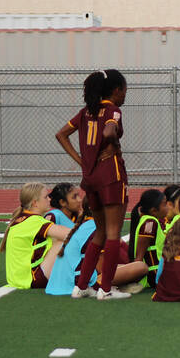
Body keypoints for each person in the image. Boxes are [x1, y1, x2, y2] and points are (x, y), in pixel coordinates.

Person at [55, 68, 132, 300]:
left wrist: (83, 160)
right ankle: (105, 289)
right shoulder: (113, 110)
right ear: (117, 90)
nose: (125, 95)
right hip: (111, 176)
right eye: (125, 90)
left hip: (90, 178)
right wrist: (110, 138)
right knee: (112, 233)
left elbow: (61, 134)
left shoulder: (86, 112)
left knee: (99, 231)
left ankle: (80, 287)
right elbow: (110, 129)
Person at [0, 182, 71, 289]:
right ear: (35, 203)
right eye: (46, 197)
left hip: (20, 279)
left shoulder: (23, 219)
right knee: (64, 242)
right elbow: (70, 234)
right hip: (32, 279)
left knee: (57, 240)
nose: (49, 199)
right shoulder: (33, 221)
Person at [129, 189, 167, 287]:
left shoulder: (150, 220)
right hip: (153, 276)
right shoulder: (149, 223)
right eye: (164, 204)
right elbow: (139, 257)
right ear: (154, 210)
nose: (167, 208)